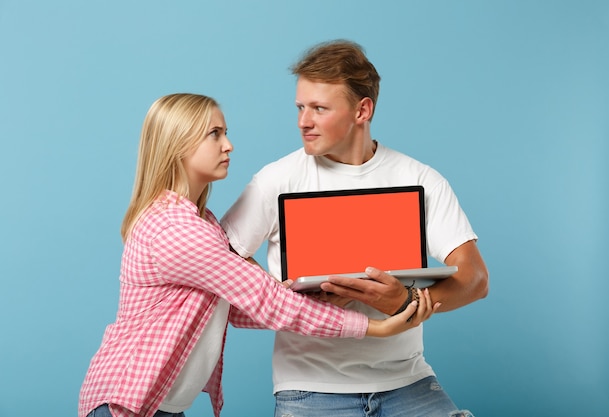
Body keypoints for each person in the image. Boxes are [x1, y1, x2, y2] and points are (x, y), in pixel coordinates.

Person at [77, 93, 439, 417]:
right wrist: (375, 327)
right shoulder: (177, 230)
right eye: (214, 134)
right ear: (178, 144)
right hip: (128, 405)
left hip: (156, 405)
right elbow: (264, 299)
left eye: (225, 132)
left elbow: (232, 307)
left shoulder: (200, 221)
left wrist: (314, 297)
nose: (229, 145)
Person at [220, 40, 489, 417]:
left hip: (407, 381)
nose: (303, 121)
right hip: (309, 388)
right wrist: (287, 299)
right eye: (300, 107)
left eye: (319, 108)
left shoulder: (419, 178)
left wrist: (404, 301)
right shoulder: (276, 180)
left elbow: (475, 279)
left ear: (362, 110)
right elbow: (222, 262)